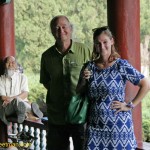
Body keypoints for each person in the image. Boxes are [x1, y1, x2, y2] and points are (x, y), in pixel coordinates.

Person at [76, 26, 150, 150]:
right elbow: (78, 91)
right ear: (95, 45)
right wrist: (83, 80)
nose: (102, 46)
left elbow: (145, 84)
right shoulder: (89, 67)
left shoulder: (121, 65)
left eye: (105, 42)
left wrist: (129, 105)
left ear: (112, 41)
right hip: (95, 127)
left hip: (119, 127)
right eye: (98, 43)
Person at [40, 15, 91, 150]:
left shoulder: (85, 50)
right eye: (56, 28)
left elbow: (95, 77)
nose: (61, 31)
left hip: (80, 115)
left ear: (71, 29)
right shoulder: (46, 56)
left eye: (64, 27)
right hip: (56, 116)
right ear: (52, 31)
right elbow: (45, 82)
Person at [0, 56, 43, 125]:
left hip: (21, 105)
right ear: (5, 65)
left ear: (16, 64)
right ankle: (31, 111)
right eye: (8, 62)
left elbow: (25, 94)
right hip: (7, 107)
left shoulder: (23, 77)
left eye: (13, 62)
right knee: (17, 100)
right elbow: (2, 97)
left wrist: (11, 99)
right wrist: (14, 100)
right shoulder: (1, 79)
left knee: (19, 104)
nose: (10, 64)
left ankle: (26, 114)